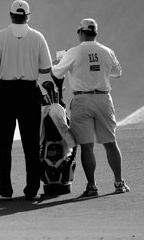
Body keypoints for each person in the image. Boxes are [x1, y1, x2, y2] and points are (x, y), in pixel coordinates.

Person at [51, 18, 130, 197]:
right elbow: (117, 72)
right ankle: (119, 183)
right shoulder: (107, 51)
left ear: (80, 32)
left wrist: (59, 64)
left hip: (82, 99)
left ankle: (92, 186)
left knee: (87, 146)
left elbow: (55, 72)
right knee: (110, 142)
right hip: (103, 98)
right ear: (95, 33)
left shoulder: (73, 52)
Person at [0, 0, 53, 201]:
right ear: (28, 16)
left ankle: (6, 191)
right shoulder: (37, 36)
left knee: (3, 144)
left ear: (11, 15)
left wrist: (7, 64)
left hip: (6, 91)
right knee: (31, 143)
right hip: (29, 91)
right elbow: (47, 68)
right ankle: (32, 190)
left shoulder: (0, 36)